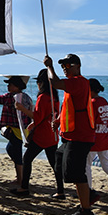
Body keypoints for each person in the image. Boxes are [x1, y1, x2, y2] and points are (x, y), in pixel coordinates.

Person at [44, 54, 96, 215]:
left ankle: (86, 210)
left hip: (80, 136)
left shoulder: (78, 81)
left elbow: (55, 83)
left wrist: (49, 67)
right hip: (70, 135)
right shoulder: (73, 86)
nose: (65, 68)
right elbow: (70, 106)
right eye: (63, 66)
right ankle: (90, 193)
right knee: (59, 160)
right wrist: (58, 121)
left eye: (68, 65)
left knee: (74, 172)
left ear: (78, 66)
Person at [11, 69, 63, 198]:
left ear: (42, 83)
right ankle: (61, 190)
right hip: (52, 134)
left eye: (38, 82)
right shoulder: (54, 97)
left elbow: (37, 116)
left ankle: (24, 188)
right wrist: (34, 123)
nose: (38, 85)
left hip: (42, 135)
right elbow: (47, 116)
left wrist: (22, 108)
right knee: (54, 164)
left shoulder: (43, 97)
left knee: (27, 159)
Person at [0, 75, 33, 188]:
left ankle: (20, 179)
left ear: (16, 86)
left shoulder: (10, 97)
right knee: (14, 151)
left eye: (10, 84)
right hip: (23, 129)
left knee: (14, 152)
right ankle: (19, 177)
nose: (8, 86)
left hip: (15, 130)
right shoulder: (25, 97)